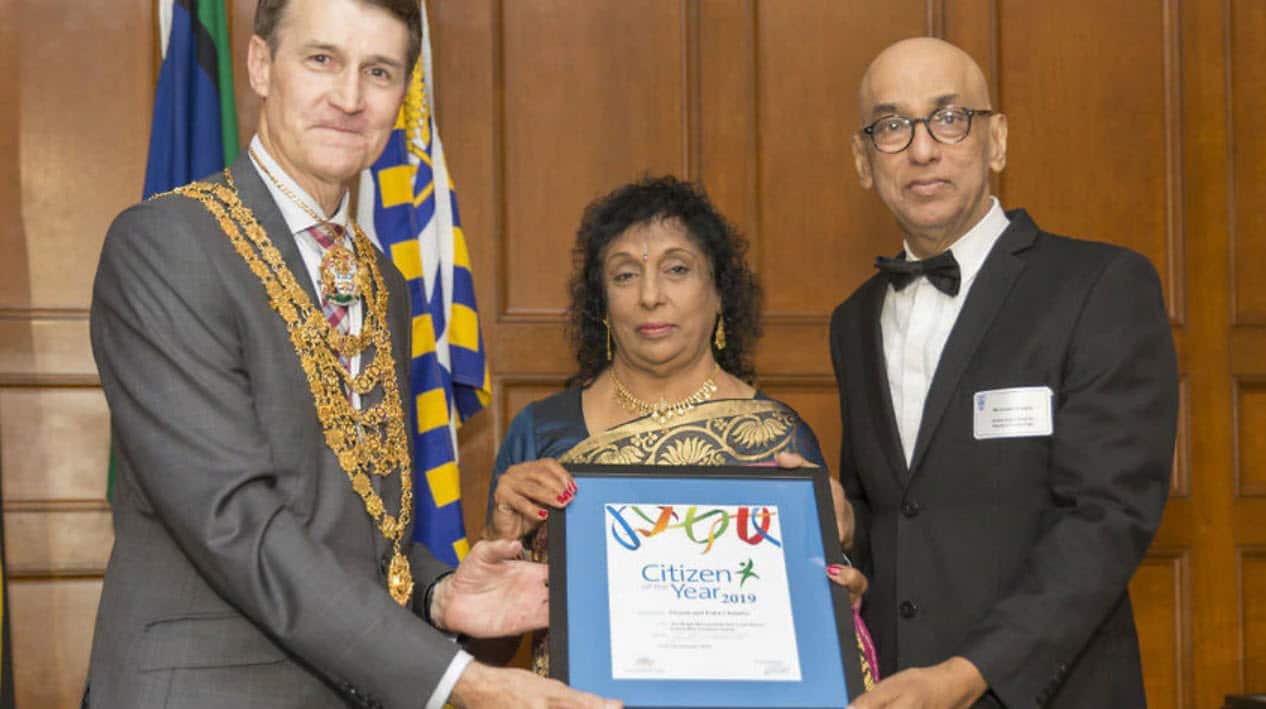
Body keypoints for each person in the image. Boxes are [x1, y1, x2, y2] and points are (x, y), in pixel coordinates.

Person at [86, 1, 617, 707]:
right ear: (260, 65)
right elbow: (233, 518)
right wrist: (458, 681)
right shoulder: (168, 245)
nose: (350, 97)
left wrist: (436, 593)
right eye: (322, 60)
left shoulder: (382, 280)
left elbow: (353, 519)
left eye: (379, 71)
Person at [827, 37, 1178, 708]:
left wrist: (965, 674)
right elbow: (896, 516)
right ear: (863, 161)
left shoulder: (1100, 286)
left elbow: (1106, 518)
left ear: (997, 140)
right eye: (892, 126)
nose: (922, 150)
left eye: (949, 118)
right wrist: (842, 530)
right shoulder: (852, 322)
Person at [481, 176, 874, 682]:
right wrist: (499, 544)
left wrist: (838, 604)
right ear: (602, 303)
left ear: (719, 293)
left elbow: (814, 641)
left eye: (677, 269)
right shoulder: (543, 433)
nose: (650, 296)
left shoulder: (779, 439)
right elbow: (489, 654)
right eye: (625, 275)